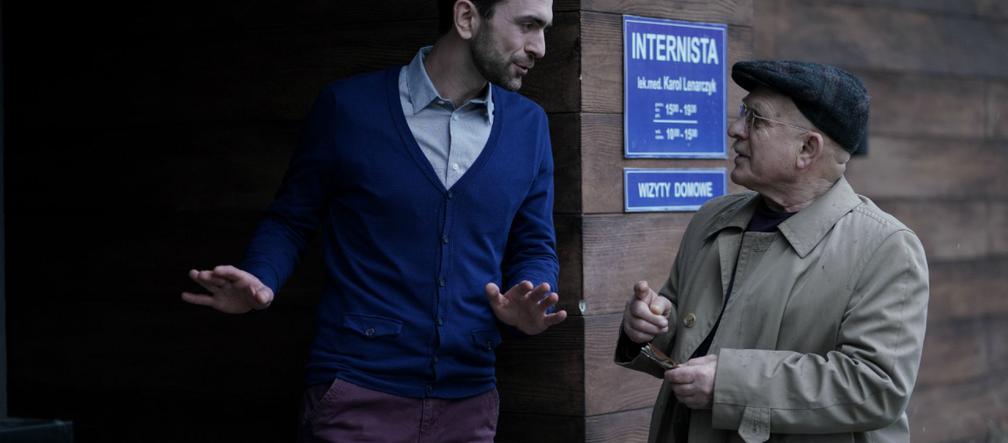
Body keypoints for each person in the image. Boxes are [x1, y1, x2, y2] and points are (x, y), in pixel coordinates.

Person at [181, 0, 566, 441]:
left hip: (469, 402)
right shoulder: (348, 108)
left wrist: (532, 297)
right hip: (356, 393)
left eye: (545, 29)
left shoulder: (529, 126)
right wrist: (261, 276)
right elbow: (291, 220)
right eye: (528, 25)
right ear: (466, 18)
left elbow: (535, 244)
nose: (540, 47)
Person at [615, 60, 929, 443]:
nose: (735, 129)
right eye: (742, 113)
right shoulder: (712, 219)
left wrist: (730, 384)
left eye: (755, 119)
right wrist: (649, 329)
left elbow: (876, 387)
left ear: (807, 148)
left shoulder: (885, 247)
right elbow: (686, 336)